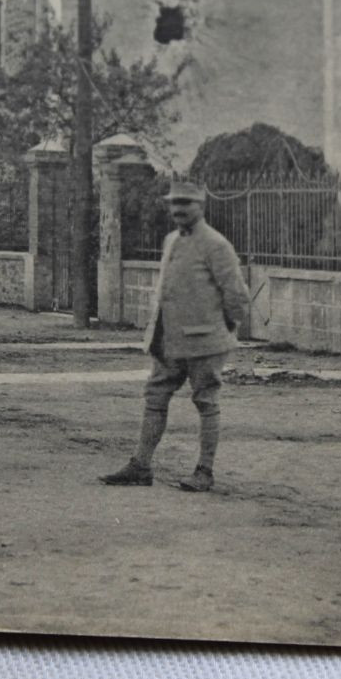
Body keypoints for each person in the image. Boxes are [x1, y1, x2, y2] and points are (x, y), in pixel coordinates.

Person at [101, 180, 250, 493]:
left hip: (205, 341)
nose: (178, 209)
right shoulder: (171, 239)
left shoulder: (216, 244)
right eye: (174, 203)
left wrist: (224, 329)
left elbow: (236, 295)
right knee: (155, 398)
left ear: (201, 206)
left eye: (186, 203)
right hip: (169, 340)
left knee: (206, 401)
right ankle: (140, 465)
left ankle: (204, 471)